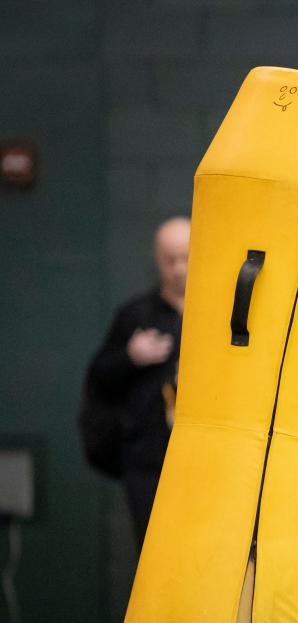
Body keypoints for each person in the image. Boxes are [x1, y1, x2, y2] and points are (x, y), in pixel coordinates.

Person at [87, 217, 188, 544]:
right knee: (152, 549)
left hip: (202, 456)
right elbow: (100, 376)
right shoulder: (137, 315)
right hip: (148, 457)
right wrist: (130, 358)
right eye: (169, 259)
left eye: (185, 257)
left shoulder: (219, 313)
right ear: (157, 260)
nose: (178, 269)